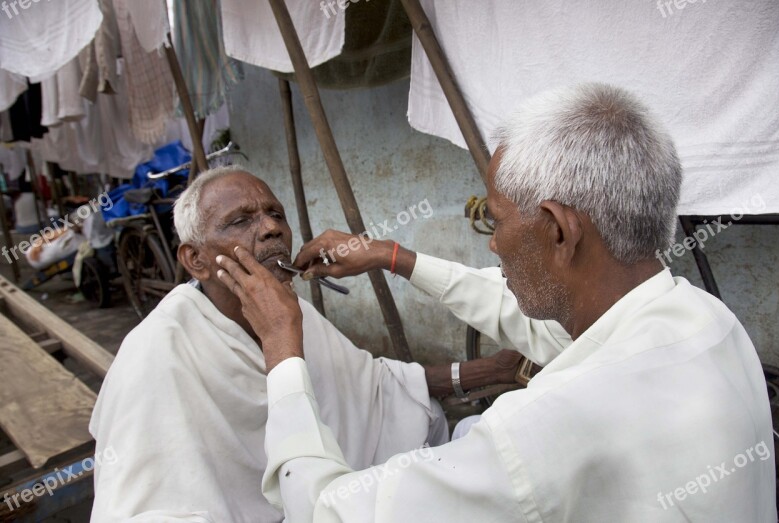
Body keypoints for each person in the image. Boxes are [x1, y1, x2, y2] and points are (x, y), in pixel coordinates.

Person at [216, 83, 776, 522]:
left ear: (558, 229)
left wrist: (284, 353)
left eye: (497, 219)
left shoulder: (541, 427)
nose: (493, 242)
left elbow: (324, 512)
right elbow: (539, 324)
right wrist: (393, 257)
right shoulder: (710, 322)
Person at [89, 168, 522, 522]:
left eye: (275, 213)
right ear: (195, 260)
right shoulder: (156, 356)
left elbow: (375, 387)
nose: (272, 228)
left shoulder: (291, 312)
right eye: (241, 221)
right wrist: (280, 338)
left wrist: (494, 370)